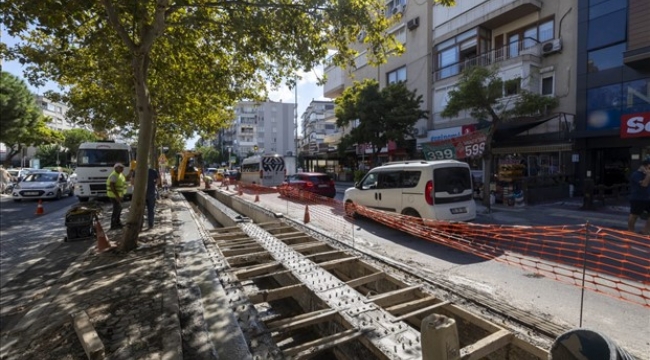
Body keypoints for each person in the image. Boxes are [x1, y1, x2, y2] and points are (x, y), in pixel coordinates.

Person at [627, 159, 650, 235]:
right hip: (638, 198)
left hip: (648, 197)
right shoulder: (636, 174)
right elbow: (644, 184)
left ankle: (645, 230)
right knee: (634, 215)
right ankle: (630, 230)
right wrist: (648, 174)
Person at [107, 163, 127, 230]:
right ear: (116, 168)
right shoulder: (114, 175)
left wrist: (131, 172)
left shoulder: (120, 174)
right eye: (120, 167)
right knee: (116, 210)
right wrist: (117, 196)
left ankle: (118, 223)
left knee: (119, 209)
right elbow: (112, 186)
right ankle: (113, 225)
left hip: (118, 195)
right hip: (114, 196)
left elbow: (126, 178)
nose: (122, 169)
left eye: (122, 168)